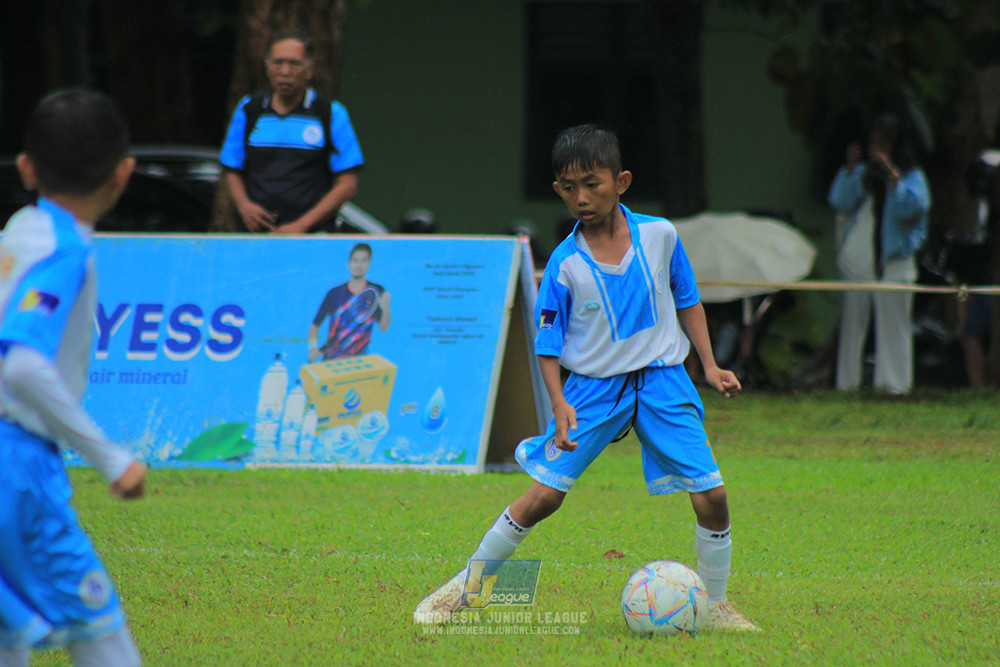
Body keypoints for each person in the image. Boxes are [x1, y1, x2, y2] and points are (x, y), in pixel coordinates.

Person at [413, 124, 757, 632]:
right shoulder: (563, 264)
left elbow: (687, 299)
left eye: (592, 184)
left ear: (621, 181)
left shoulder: (661, 235)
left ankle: (718, 607)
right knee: (543, 497)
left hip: (663, 381)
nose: (581, 198)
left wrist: (708, 365)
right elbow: (547, 347)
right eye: (569, 187)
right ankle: (466, 588)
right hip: (593, 391)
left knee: (712, 495)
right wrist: (558, 403)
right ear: (557, 190)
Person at [0, 89, 147, 666]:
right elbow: (22, 364)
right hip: (17, 467)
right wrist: (110, 458)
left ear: (27, 168)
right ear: (124, 172)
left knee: (9, 640)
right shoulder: (66, 250)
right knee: (104, 639)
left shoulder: (18, 228)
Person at [219, 28, 364, 234]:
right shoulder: (249, 109)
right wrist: (244, 206)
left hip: (312, 238)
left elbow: (348, 185)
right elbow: (232, 168)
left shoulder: (330, 113)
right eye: (278, 62)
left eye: (294, 63)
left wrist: (302, 225)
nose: (285, 71)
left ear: (309, 69)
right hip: (256, 238)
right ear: (267, 66)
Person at [829, 113, 931, 394]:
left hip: (894, 259)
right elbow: (840, 202)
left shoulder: (912, 175)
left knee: (893, 325)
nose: (877, 147)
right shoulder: (862, 173)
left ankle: (894, 386)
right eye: (873, 141)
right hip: (860, 260)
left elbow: (914, 209)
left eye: (883, 142)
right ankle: (846, 384)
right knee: (852, 322)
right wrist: (849, 170)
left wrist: (893, 177)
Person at [307, 242, 390, 361]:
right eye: (355, 260)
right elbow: (315, 325)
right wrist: (313, 348)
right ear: (349, 264)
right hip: (332, 359)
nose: (359, 265)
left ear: (369, 263)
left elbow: (384, 327)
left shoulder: (377, 291)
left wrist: (386, 307)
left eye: (363, 261)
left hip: (360, 361)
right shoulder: (334, 293)